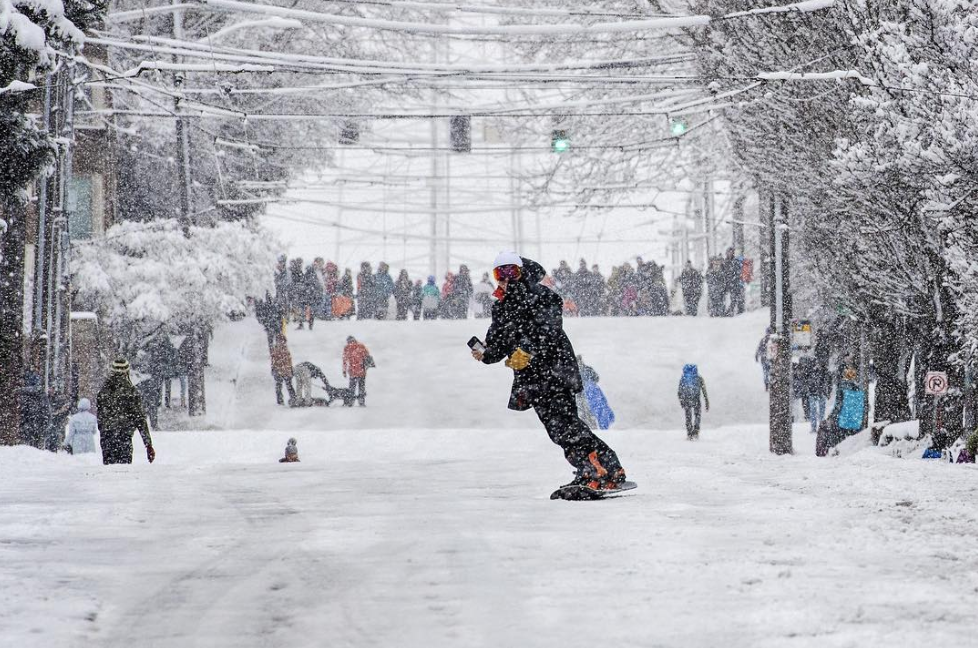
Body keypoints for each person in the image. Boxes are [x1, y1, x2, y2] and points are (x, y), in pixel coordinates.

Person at [471, 252, 627, 491]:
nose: (505, 278)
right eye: (499, 273)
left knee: (567, 425)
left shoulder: (543, 296)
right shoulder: (501, 306)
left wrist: (527, 350)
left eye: (511, 271)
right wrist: (485, 353)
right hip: (531, 380)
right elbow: (498, 345)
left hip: (555, 372)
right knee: (558, 430)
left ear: (522, 271)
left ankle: (601, 468)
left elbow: (549, 329)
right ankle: (596, 468)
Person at [96, 359, 155, 465]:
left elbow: (100, 417)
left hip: (107, 438)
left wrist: (104, 432)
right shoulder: (131, 392)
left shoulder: (103, 391)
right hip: (124, 438)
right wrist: (148, 444)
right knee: (123, 474)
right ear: (127, 371)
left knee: (108, 474)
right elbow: (140, 419)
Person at [18, 369, 51, 449]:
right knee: (37, 451)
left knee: (23, 450)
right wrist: (45, 425)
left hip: (25, 427)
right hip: (38, 427)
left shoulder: (21, 394)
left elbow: (20, 412)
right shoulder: (42, 395)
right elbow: (47, 412)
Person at [797, 355, 828, 434]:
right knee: (815, 411)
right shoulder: (811, 370)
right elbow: (805, 379)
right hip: (815, 392)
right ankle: (815, 427)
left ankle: (819, 427)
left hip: (818, 392)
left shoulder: (822, 370)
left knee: (819, 411)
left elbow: (827, 381)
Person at [677, 364, 709, 440]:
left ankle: (689, 433)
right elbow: (704, 390)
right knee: (697, 415)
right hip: (696, 399)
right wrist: (706, 401)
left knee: (688, 416)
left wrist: (681, 400)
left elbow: (680, 391)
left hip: (686, 399)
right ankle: (696, 431)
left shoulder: (683, 378)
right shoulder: (699, 378)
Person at [342, 336, 371, 406]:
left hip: (353, 372)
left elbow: (344, 361)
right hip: (362, 371)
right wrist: (365, 366)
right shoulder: (361, 346)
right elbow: (368, 357)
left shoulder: (347, 348)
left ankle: (350, 402)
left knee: (352, 388)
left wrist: (344, 371)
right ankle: (361, 402)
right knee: (361, 387)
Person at [270, 333, 296, 406]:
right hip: (280, 371)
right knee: (280, 386)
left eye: (282, 341)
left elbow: (289, 361)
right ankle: (281, 400)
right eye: (279, 341)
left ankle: (292, 398)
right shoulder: (276, 350)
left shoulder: (285, 350)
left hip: (285, 371)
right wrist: (274, 368)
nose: (281, 343)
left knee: (288, 386)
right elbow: (273, 361)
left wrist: (290, 369)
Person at [755, 326, 775, 391]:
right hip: (771, 359)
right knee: (771, 372)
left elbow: (759, 348)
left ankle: (767, 384)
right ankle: (771, 384)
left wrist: (757, 356)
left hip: (764, 358)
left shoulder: (763, 340)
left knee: (765, 372)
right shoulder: (773, 340)